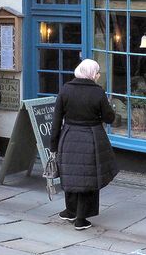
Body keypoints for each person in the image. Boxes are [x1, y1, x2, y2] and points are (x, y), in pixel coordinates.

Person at [49, 59, 118, 231]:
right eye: (98, 72)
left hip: (69, 135)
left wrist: (53, 145)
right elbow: (109, 118)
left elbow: (56, 120)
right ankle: (81, 218)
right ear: (92, 74)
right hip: (91, 137)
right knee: (88, 177)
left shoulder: (65, 89)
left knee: (70, 172)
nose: (99, 75)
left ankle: (69, 211)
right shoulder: (98, 93)